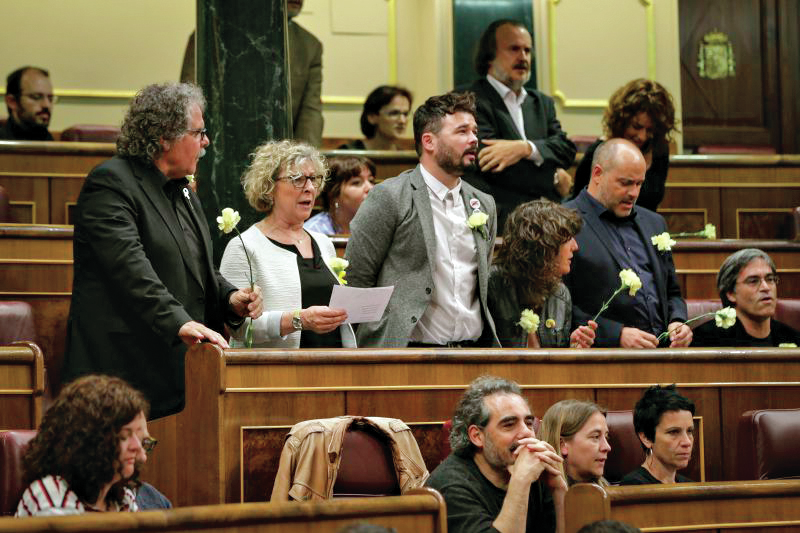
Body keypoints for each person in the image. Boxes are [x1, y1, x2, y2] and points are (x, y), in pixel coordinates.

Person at [62, 83, 263, 420]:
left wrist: (229, 297)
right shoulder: (111, 183)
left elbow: (199, 268)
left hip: (177, 374)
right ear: (164, 137)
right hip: (120, 375)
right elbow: (130, 270)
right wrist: (180, 322)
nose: (206, 142)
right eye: (198, 133)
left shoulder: (184, 192)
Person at [345, 91, 500, 348]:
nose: (474, 139)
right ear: (429, 141)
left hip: (473, 350)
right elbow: (357, 280)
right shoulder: (390, 196)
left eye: (474, 131)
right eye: (462, 131)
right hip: (408, 353)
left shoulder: (483, 204)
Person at [220, 140, 356, 349]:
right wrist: (298, 320)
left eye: (313, 179)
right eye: (298, 179)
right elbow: (237, 327)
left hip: (333, 367)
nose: (310, 188)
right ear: (269, 187)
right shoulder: (244, 246)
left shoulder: (323, 242)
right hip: (279, 374)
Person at [563, 139, 691, 348]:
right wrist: (616, 334)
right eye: (625, 183)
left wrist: (678, 321)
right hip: (606, 358)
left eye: (639, 183)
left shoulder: (654, 222)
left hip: (665, 353)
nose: (634, 193)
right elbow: (560, 305)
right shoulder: (564, 221)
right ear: (597, 174)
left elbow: (673, 292)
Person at [464, 19, 576, 230]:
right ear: (490, 55)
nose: (523, 57)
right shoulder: (469, 99)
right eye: (514, 49)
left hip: (548, 217)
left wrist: (525, 148)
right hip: (500, 219)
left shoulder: (542, 103)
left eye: (527, 50)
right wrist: (552, 177)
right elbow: (491, 164)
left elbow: (566, 149)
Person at [426, 376, 566, 533]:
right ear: (477, 436)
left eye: (528, 423)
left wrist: (558, 491)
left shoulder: (533, 474)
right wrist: (520, 482)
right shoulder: (451, 485)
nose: (527, 432)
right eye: (509, 425)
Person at [179, 0, 323, 146]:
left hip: (278, 154)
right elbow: (189, 99)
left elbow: (310, 113)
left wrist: (303, 159)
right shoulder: (211, 32)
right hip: (217, 148)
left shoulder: (309, 46)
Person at [16, 375, 151, 516]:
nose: (137, 447)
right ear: (88, 441)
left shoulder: (123, 498)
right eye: (124, 436)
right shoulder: (51, 494)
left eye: (139, 438)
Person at [488, 199, 596, 348]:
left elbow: (554, 364)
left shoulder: (561, 295)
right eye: (568, 239)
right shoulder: (491, 284)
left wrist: (572, 349)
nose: (575, 246)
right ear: (544, 244)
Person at [571, 79, 678, 212]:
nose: (642, 136)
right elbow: (579, 208)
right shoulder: (598, 153)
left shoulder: (659, 151)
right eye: (636, 126)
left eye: (650, 130)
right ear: (622, 121)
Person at [692, 248, 800, 347]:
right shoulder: (706, 340)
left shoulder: (793, 338)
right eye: (753, 281)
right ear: (730, 293)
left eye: (770, 279)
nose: (765, 287)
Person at [619, 385, 694, 485]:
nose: (687, 442)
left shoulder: (689, 486)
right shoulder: (634, 487)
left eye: (689, 431)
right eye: (673, 432)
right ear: (646, 438)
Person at [538, 400, 610, 486]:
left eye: (606, 437)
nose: (607, 447)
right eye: (596, 437)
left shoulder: (610, 492)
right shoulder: (538, 494)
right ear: (562, 445)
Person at [304, 155, 375, 234]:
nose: (371, 188)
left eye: (371, 181)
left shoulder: (380, 225)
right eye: (356, 182)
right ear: (333, 193)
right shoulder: (313, 232)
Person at [339, 86, 413, 151]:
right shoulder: (348, 154)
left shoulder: (405, 158)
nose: (402, 121)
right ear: (372, 117)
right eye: (394, 113)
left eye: (405, 114)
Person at [1, 66, 55, 141]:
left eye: (50, 98)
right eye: (36, 97)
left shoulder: (50, 141)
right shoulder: (3, 143)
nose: (47, 105)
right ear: (12, 102)